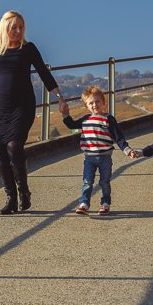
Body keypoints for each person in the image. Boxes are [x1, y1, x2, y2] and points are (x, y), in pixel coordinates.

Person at [0, 10, 66, 215]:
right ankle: (11, 199)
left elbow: (44, 73)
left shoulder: (28, 49)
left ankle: (23, 190)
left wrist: (59, 97)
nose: (17, 31)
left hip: (22, 107)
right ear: (4, 28)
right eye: (14, 27)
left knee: (14, 147)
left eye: (20, 27)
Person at [62, 85, 137, 215]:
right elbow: (71, 125)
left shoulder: (108, 119)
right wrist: (65, 113)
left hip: (105, 158)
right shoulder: (86, 119)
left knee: (105, 182)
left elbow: (119, 138)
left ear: (104, 103)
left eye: (97, 102)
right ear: (86, 106)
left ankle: (105, 203)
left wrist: (127, 150)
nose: (95, 105)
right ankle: (84, 203)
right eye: (91, 103)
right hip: (89, 158)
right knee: (87, 181)